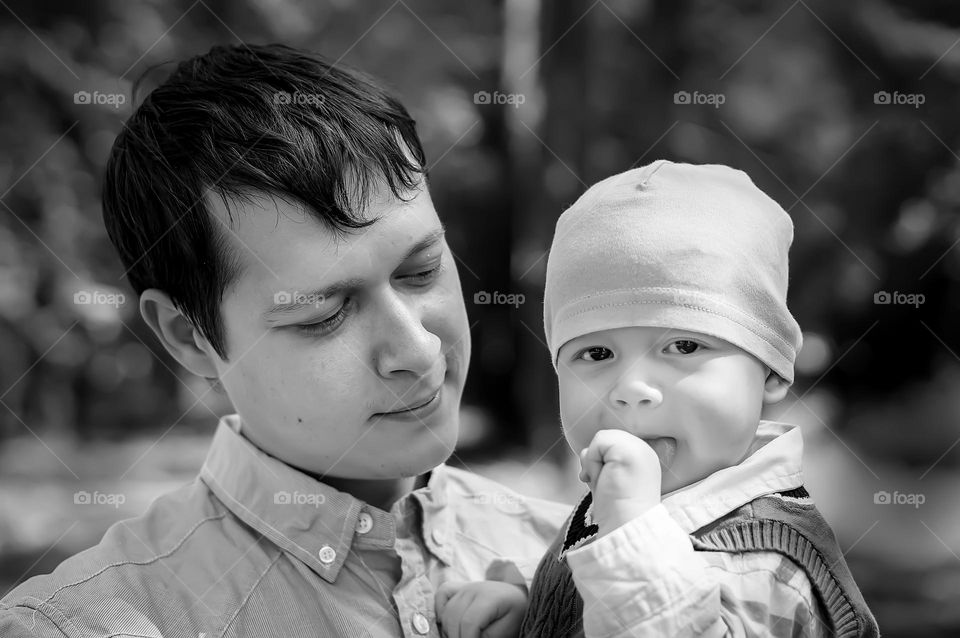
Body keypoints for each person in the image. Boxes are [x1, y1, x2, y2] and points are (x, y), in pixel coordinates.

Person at [0, 43, 568, 638]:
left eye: (420, 270)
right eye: (324, 315)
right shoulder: (85, 625)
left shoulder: (587, 559)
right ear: (188, 335)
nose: (419, 350)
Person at [441, 160, 880, 637]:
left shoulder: (764, 568)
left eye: (685, 346)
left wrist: (631, 531)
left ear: (771, 369)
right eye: (597, 352)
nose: (630, 388)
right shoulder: (625, 511)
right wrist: (532, 615)